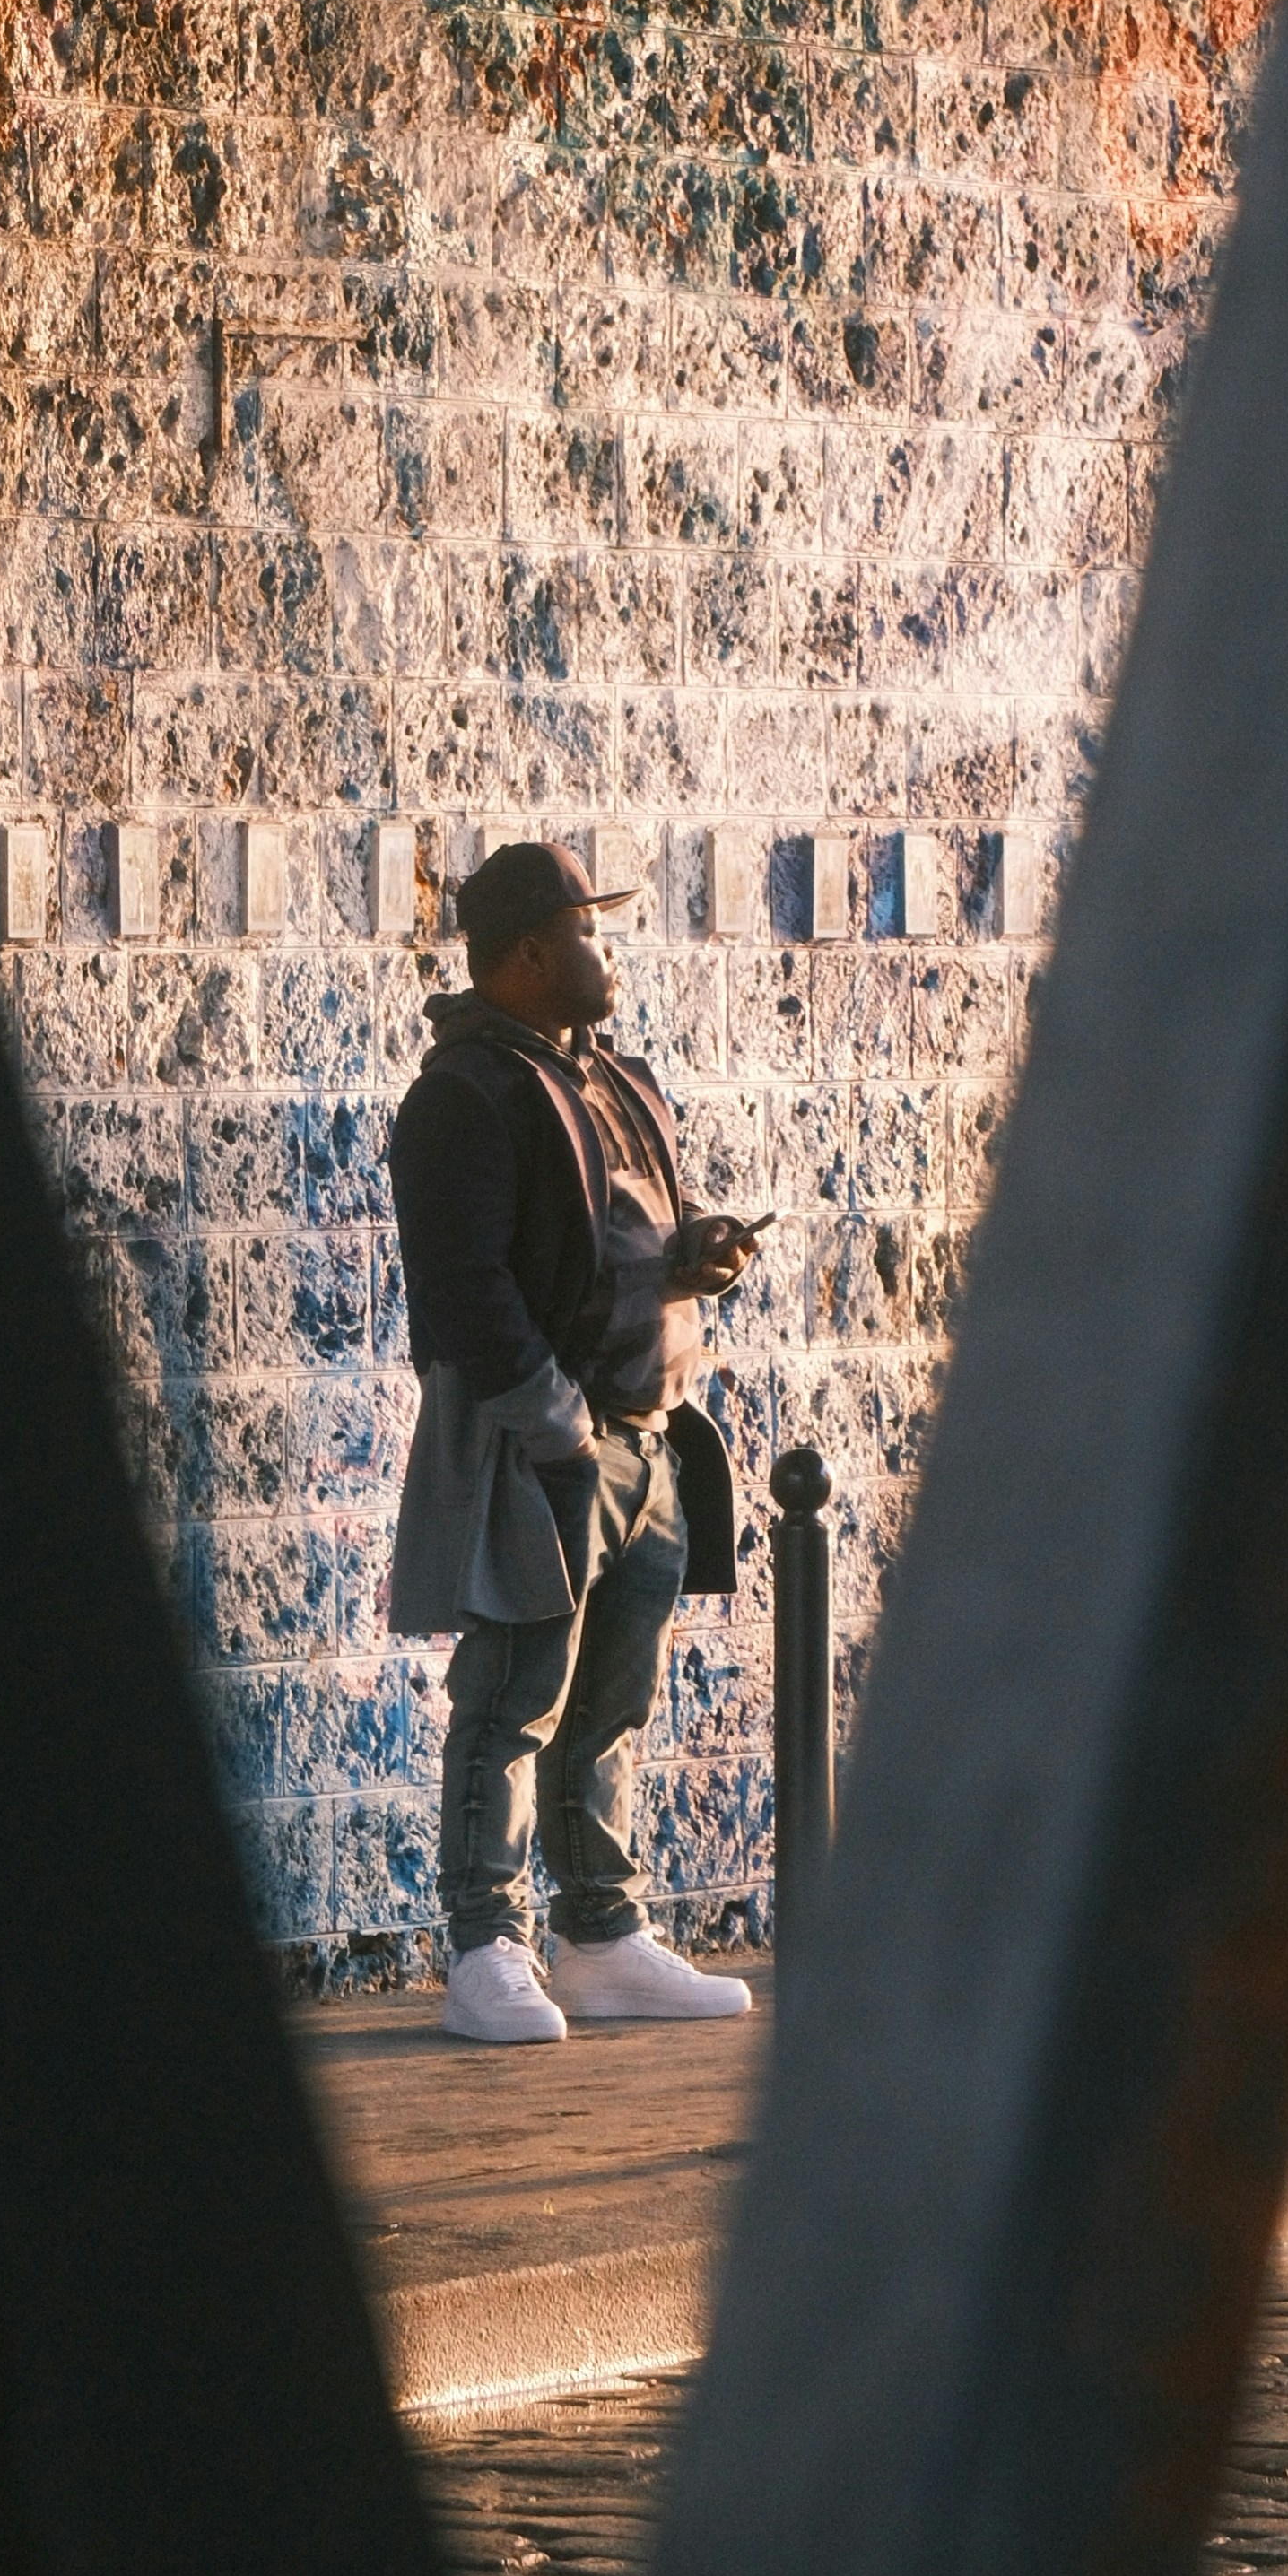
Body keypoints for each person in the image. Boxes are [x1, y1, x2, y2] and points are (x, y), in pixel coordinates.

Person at [387, 837, 764, 2044]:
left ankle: (599, 1935)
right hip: (548, 1446)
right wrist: (554, 1428)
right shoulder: (462, 1095)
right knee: (509, 1699)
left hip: (650, 1435)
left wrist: (694, 1248)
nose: (610, 950)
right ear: (535, 952)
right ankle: (485, 1945)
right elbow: (463, 1285)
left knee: (610, 1703)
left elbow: (626, 1227)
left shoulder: (615, 1075)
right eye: (591, 930)